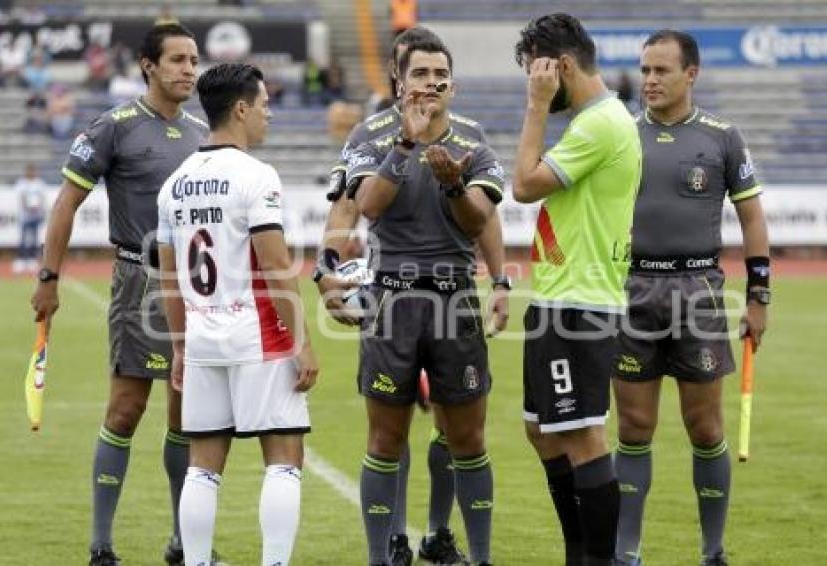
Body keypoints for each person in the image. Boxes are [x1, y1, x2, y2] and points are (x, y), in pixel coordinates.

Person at [314, 26, 510, 565]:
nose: (431, 83)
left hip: (455, 300)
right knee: (386, 438)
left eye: (440, 75)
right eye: (420, 74)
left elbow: (480, 218)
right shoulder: (371, 135)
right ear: (399, 81)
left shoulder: (472, 139)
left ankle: (477, 554)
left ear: (454, 84)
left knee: (466, 437)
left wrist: (499, 280)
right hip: (391, 299)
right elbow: (366, 206)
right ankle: (386, 551)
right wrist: (407, 143)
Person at [29, 23, 208, 566]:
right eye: (177, 59)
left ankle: (183, 543)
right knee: (127, 410)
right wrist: (48, 278)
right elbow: (65, 205)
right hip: (140, 280)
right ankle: (101, 545)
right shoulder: (115, 126)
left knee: (187, 417)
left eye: (193, 60)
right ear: (148, 65)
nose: (188, 70)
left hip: (195, 287)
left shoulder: (203, 132)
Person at [612, 30, 770, 566]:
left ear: (690, 75)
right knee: (633, 428)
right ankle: (625, 552)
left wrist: (759, 296)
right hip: (631, 291)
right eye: (645, 70)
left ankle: (713, 552)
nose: (649, 80)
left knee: (705, 429)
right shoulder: (620, 134)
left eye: (661, 70)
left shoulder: (722, 137)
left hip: (698, 291)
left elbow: (751, 216)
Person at [157, 62, 318, 566]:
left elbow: (169, 280)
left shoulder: (175, 183)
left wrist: (181, 347)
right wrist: (302, 341)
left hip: (203, 339)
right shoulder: (256, 176)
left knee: (204, 464)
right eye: (265, 103)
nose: (269, 113)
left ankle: (198, 561)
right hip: (258, 334)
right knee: (284, 458)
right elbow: (274, 263)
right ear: (242, 108)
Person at [512, 13, 642, 566]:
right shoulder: (596, 120)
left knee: (584, 435)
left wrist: (537, 106)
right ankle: (579, 550)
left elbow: (522, 185)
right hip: (558, 298)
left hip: (579, 304)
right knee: (542, 429)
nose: (533, 82)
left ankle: (598, 558)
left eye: (537, 70)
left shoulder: (600, 124)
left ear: (560, 66)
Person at [13, 162, 47, 274]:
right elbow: (21, 197)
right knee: (23, 238)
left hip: (36, 215)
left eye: (33, 171)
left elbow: (42, 198)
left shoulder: (39, 183)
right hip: (25, 216)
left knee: (34, 237)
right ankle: (22, 260)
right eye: (29, 171)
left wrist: (38, 209)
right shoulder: (22, 183)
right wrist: (27, 207)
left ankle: (32, 259)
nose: (31, 173)